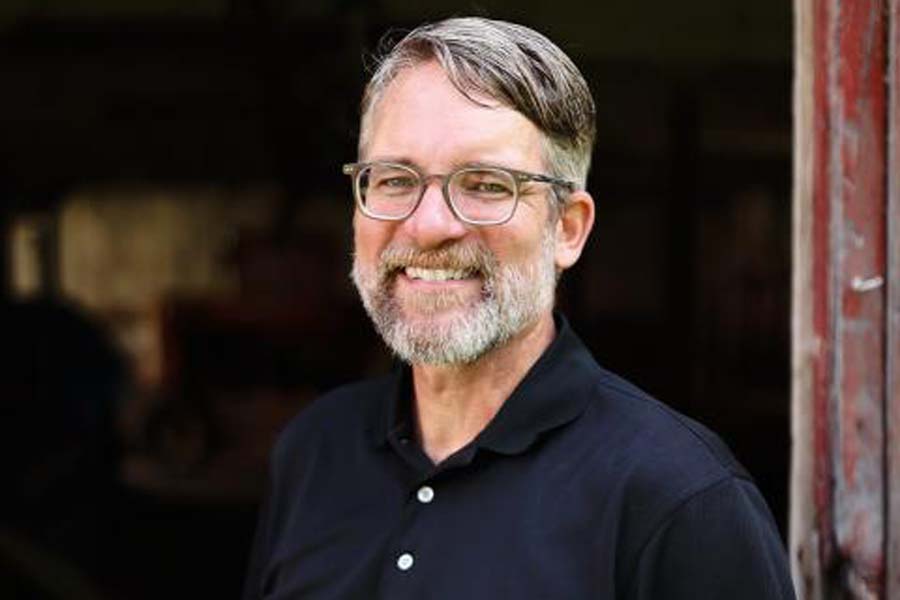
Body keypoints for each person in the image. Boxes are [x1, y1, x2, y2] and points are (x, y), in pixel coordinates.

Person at [243, 17, 796, 599]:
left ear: (569, 229)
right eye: (395, 179)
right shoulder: (314, 452)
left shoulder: (680, 498)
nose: (429, 226)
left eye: (485, 185)